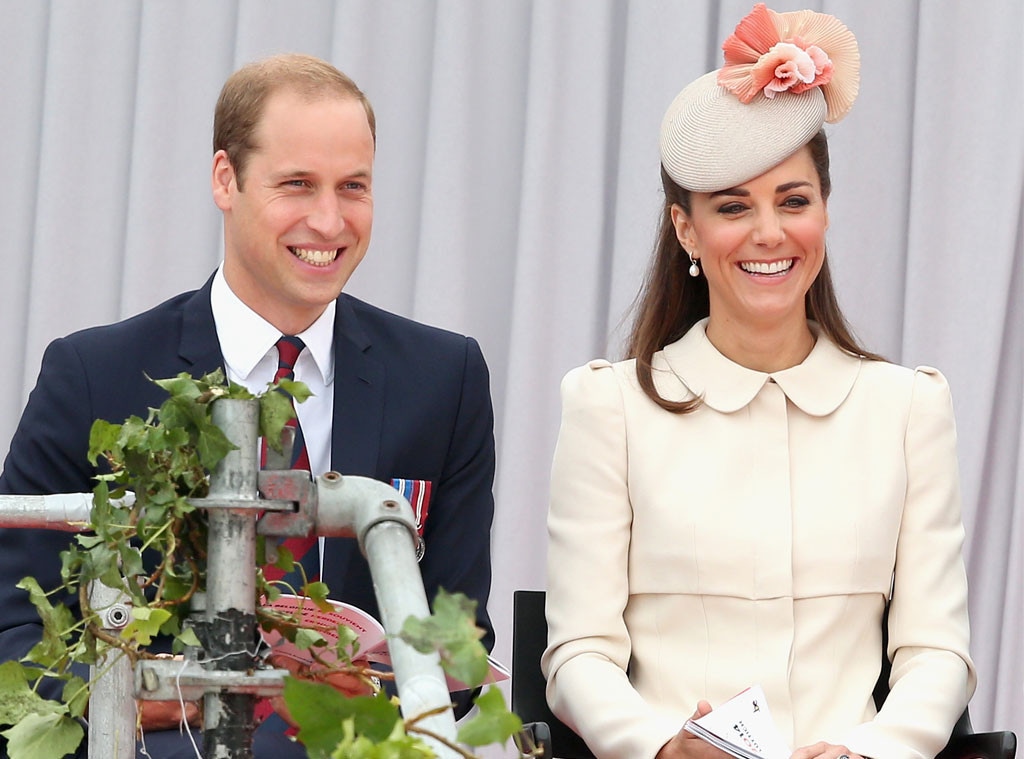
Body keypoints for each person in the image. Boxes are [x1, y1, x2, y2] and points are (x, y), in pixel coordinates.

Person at [0, 53, 495, 758]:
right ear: (224, 179)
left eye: (353, 186)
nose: (329, 220)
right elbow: (12, 634)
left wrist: (365, 698)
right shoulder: (94, 374)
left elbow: (460, 644)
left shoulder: (445, 379)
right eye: (297, 184)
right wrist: (153, 692)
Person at [541, 5, 975, 759]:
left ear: (826, 212)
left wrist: (873, 751)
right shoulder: (609, 406)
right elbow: (578, 653)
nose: (769, 233)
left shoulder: (907, 408)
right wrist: (663, 746)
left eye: (794, 201)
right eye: (733, 207)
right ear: (686, 229)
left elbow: (936, 651)